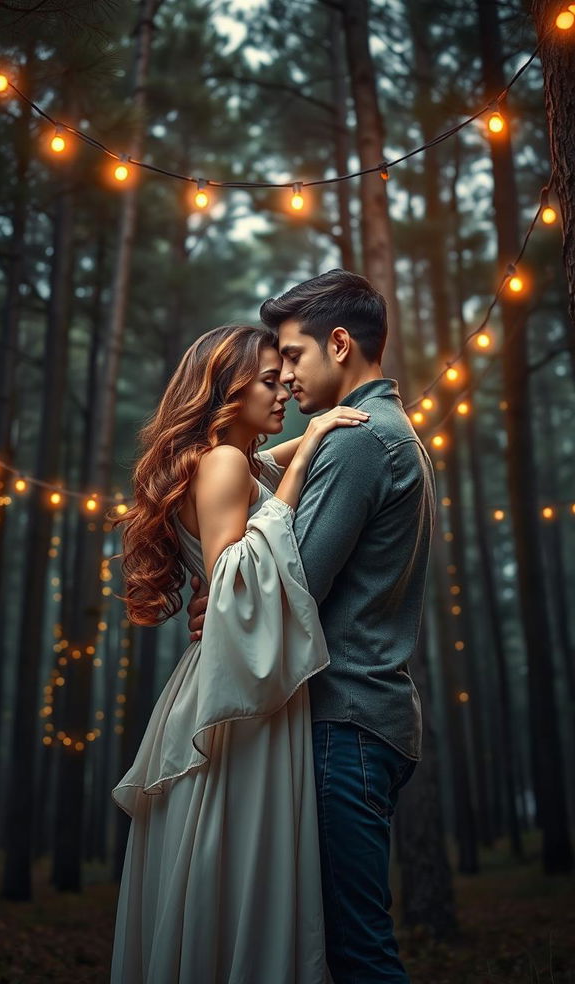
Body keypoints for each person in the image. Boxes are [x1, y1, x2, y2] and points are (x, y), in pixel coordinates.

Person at [187, 269, 437, 984]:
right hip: (366, 721)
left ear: (338, 344)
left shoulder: (358, 441)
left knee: (356, 951)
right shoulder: (390, 432)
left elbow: (285, 587)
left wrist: (226, 601)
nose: (287, 377)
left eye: (293, 357)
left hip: (346, 725)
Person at [109, 322, 369, 984]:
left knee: (224, 875)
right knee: (241, 871)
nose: (284, 387)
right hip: (237, 702)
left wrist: (296, 448)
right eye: (267, 380)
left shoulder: (233, 460)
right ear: (227, 390)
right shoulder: (224, 461)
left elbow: (259, 478)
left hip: (233, 688)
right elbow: (233, 587)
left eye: (286, 376)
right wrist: (307, 454)